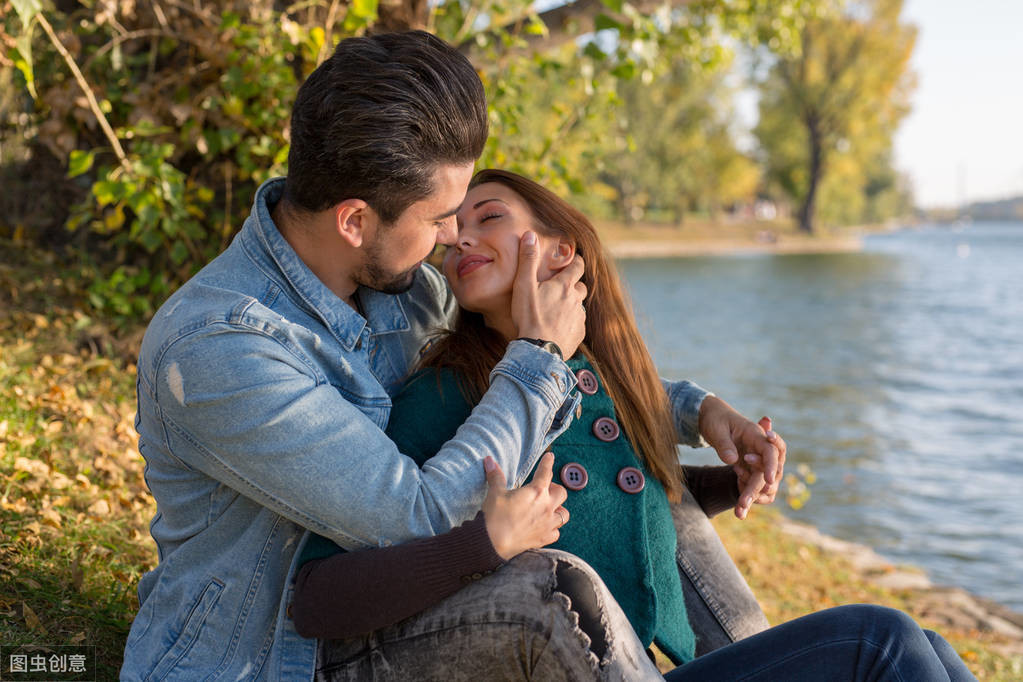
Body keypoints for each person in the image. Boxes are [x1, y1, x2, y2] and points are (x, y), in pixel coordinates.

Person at [121, 32, 783, 680]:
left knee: (659, 499)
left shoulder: (404, 289)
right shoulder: (220, 345)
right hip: (272, 653)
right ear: (354, 221)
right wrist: (539, 350)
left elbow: (549, 398)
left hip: (420, 599)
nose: (449, 238)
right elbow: (419, 517)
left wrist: (697, 412)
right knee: (552, 591)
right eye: (439, 217)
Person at [291, 170, 976, 681]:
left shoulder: (596, 377)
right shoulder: (452, 389)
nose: (458, 238)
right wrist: (482, 543)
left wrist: (724, 476)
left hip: (650, 664)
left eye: (488, 217)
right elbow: (320, 598)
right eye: (451, 230)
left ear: (562, 252)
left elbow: (609, 498)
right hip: (568, 662)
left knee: (933, 650)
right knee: (880, 643)